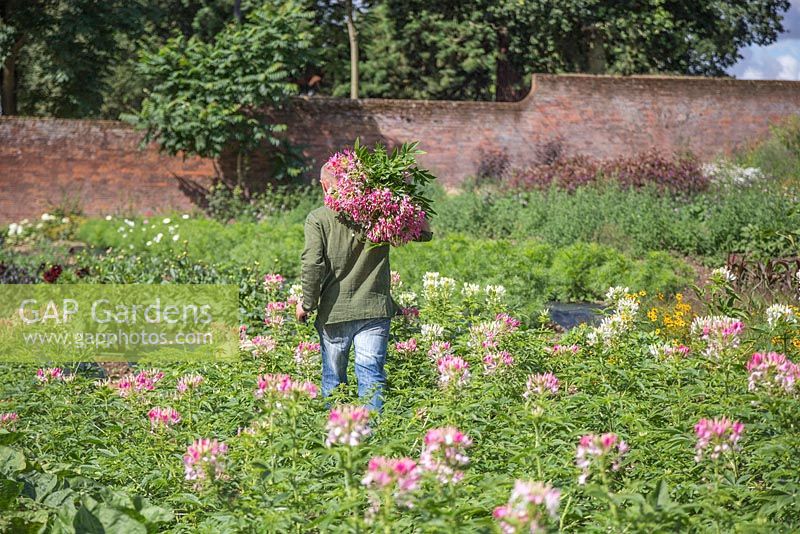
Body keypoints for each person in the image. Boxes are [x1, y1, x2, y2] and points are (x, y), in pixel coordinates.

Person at [296, 164, 432, 413]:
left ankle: (339, 438)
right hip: (374, 311)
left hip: (334, 312)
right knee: (371, 378)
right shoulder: (379, 216)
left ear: (324, 185)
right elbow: (424, 233)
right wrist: (404, 193)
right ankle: (375, 439)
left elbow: (312, 264)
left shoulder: (318, 218)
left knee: (334, 382)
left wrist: (307, 304)